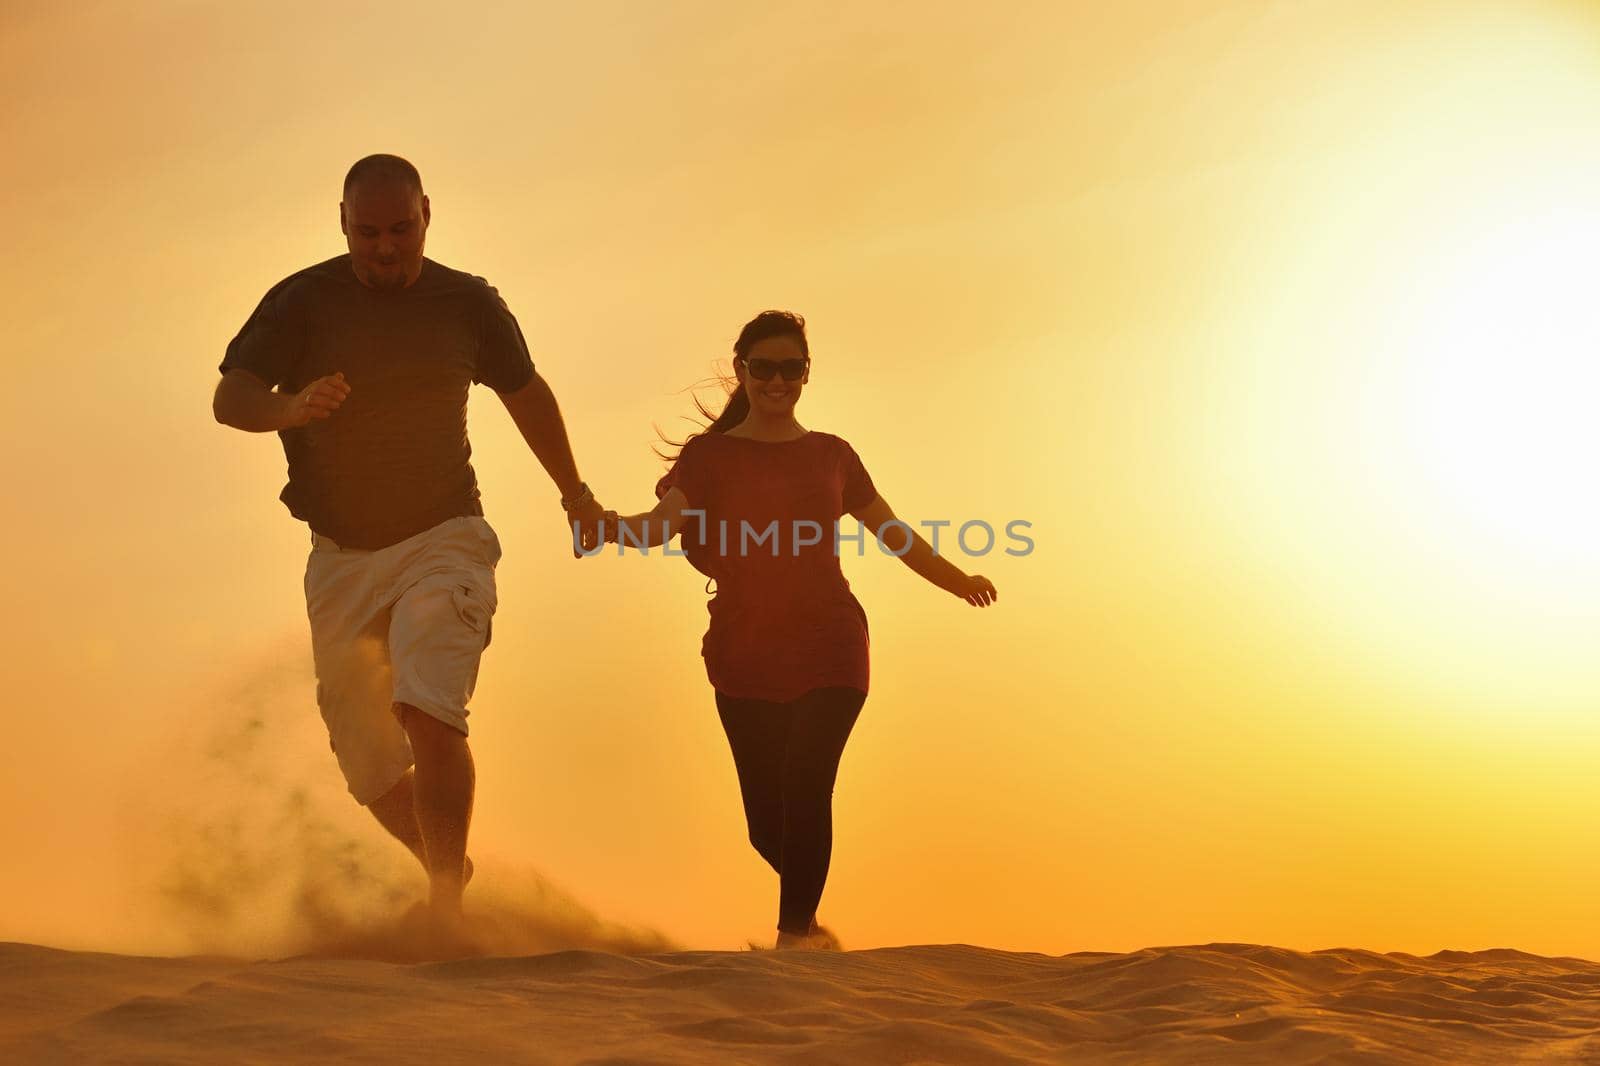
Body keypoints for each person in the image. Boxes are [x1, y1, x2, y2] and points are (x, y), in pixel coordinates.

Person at [212, 154, 605, 935]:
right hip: (342, 557)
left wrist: (576, 493)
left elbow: (526, 395)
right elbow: (232, 398)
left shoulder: (468, 304)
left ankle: (446, 914)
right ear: (343, 224)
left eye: (400, 229)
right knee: (365, 757)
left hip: (443, 537)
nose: (385, 248)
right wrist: (291, 408)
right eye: (368, 233)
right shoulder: (301, 302)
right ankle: (444, 866)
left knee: (427, 703)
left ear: (427, 214)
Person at [599, 310, 997, 949]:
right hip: (742, 652)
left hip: (831, 644)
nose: (777, 380)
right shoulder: (709, 457)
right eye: (764, 368)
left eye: (791, 368)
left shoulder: (832, 456)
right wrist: (610, 526)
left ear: (806, 374)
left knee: (807, 783)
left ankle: (791, 944)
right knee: (766, 824)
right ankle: (809, 924)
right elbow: (661, 523)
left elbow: (892, 535)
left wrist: (957, 579)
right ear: (743, 371)